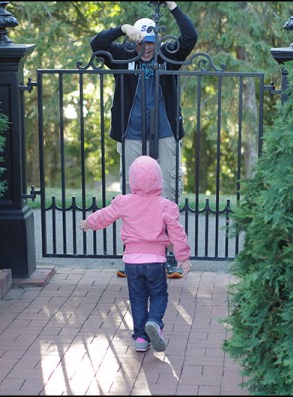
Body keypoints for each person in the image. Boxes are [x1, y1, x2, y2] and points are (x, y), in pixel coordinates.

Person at [90, 1, 198, 279]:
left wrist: (172, 5)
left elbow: (190, 36)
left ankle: (170, 255)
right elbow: (96, 44)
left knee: (169, 192)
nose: (147, 48)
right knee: (133, 196)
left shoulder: (169, 56)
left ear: (157, 41)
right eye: (141, 42)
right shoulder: (122, 55)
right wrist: (122, 28)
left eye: (151, 42)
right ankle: (133, 256)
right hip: (132, 135)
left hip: (165, 133)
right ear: (134, 41)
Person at [79, 155, 192, 353]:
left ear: (132, 180)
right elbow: (177, 232)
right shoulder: (165, 205)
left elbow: (105, 215)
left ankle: (140, 338)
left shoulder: (125, 202)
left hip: (131, 262)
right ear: (159, 180)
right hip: (156, 261)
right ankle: (154, 322)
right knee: (159, 295)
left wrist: (90, 222)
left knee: (138, 299)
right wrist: (183, 257)